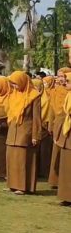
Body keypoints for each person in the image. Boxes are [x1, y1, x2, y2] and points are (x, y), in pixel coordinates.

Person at [5, 71, 42, 195]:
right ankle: (12, 184)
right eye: (12, 84)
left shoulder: (34, 95)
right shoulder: (13, 95)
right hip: (13, 131)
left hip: (25, 131)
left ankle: (23, 186)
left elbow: (36, 117)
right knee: (12, 158)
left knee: (23, 160)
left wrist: (35, 135)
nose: (14, 86)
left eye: (15, 83)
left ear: (22, 81)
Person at [49, 70, 70, 188]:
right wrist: (51, 125)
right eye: (59, 76)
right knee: (56, 153)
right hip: (58, 123)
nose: (61, 79)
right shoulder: (55, 91)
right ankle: (55, 180)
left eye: (63, 76)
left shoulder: (68, 92)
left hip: (66, 124)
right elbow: (52, 109)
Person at [56, 73, 71, 205]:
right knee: (66, 167)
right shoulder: (68, 95)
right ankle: (67, 196)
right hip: (68, 133)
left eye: (68, 81)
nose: (65, 83)